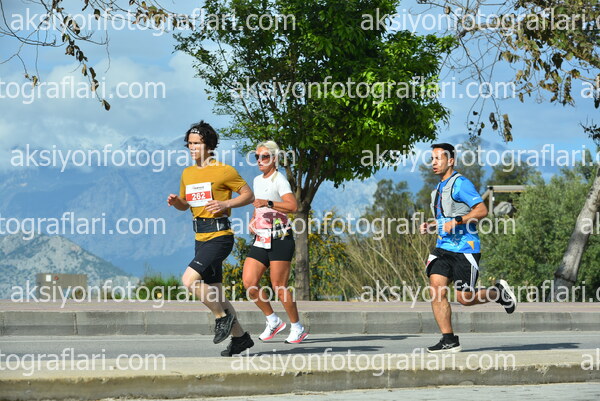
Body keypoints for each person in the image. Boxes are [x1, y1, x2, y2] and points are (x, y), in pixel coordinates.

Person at [167, 121, 255, 356]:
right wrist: (176, 202)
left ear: (209, 145)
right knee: (216, 292)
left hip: (220, 237)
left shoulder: (224, 171)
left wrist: (226, 204)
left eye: (197, 143)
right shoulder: (187, 173)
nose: (192, 147)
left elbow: (248, 195)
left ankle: (221, 318)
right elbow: (186, 205)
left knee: (189, 281)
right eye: (189, 143)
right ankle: (240, 338)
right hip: (200, 237)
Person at [419, 143, 517, 353]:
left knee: (464, 298)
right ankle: (449, 340)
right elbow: (445, 219)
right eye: (432, 159)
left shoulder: (461, 184)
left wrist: (458, 221)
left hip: (465, 249)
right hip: (443, 248)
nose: (434, 163)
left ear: (450, 161)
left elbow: (481, 210)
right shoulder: (437, 191)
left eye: (438, 158)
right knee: (436, 289)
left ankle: (497, 293)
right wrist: (432, 226)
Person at [242, 141, 308, 344]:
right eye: (257, 157)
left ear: (274, 159)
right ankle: (273, 320)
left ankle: (297, 327)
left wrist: (268, 203)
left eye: (264, 157)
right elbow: (258, 206)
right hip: (261, 238)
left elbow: (293, 206)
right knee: (249, 283)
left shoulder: (280, 180)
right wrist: (253, 220)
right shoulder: (257, 180)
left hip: (280, 238)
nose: (259, 161)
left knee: (279, 286)